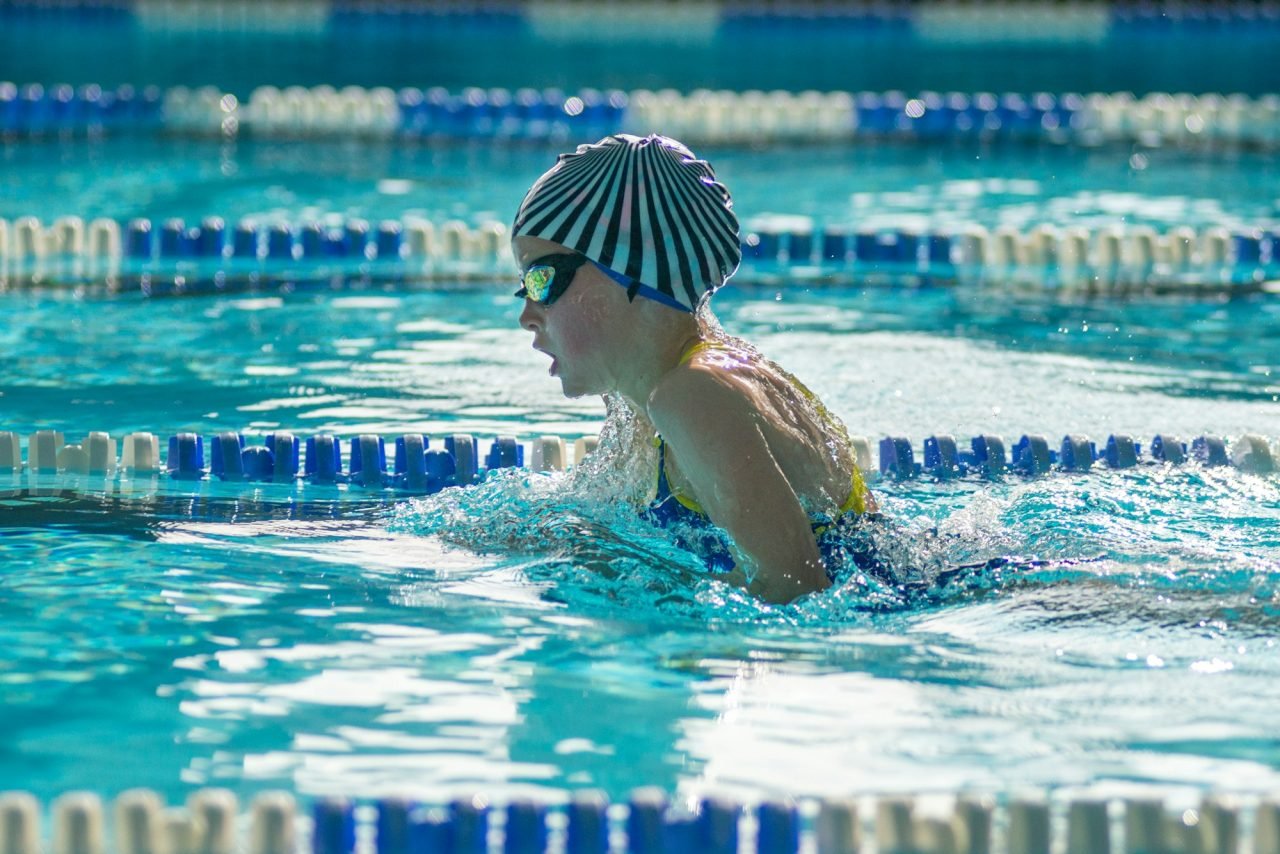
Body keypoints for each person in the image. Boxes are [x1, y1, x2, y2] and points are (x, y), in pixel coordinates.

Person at [511, 133, 880, 605]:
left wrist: (613, 571)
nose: (526, 313)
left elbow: (795, 589)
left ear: (629, 272)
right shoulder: (652, 392)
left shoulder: (694, 394)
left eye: (541, 279)